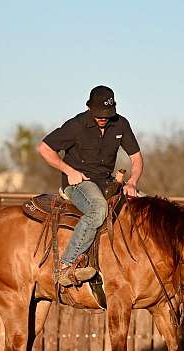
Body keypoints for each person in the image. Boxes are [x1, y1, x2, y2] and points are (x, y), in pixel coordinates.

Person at [38, 85, 144, 287]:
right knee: (98, 209)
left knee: (147, 207)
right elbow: (44, 148)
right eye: (99, 113)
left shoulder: (121, 124)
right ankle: (65, 267)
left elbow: (136, 158)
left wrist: (132, 182)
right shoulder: (76, 125)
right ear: (89, 108)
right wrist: (68, 170)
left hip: (107, 182)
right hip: (79, 183)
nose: (103, 117)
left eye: (107, 113)